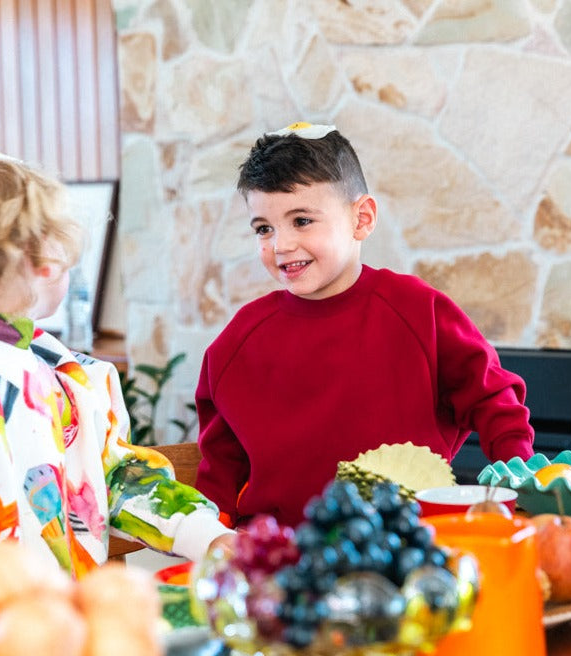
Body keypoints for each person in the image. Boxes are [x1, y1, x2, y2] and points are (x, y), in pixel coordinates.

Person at [195, 122, 535, 529]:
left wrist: (519, 492)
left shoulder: (419, 311)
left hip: (405, 545)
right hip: (282, 559)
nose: (281, 245)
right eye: (264, 228)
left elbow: (495, 400)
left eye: (301, 220)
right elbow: (220, 468)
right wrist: (212, 538)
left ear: (362, 219)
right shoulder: (236, 344)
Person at [0, 152, 234, 578]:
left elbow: (119, 478)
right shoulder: (64, 378)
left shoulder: (67, 376)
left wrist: (208, 536)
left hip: (66, 627)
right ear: (44, 261)